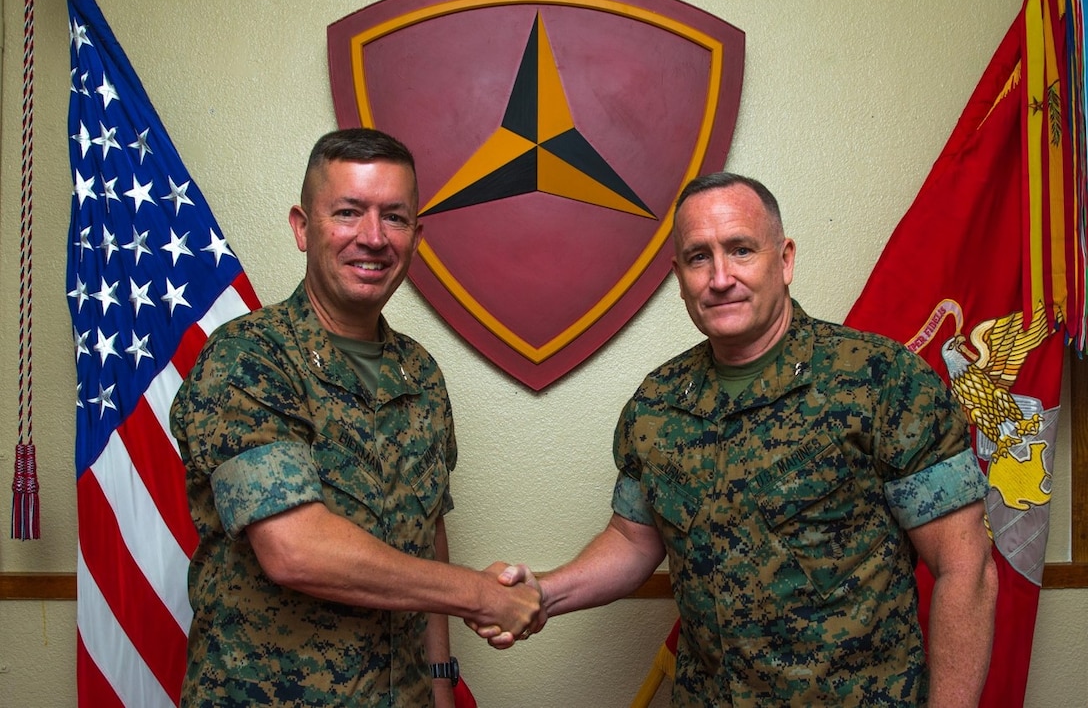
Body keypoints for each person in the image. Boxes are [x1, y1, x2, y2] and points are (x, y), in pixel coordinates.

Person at [483, 172, 998, 706]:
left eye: (741, 249)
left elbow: (967, 568)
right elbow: (634, 541)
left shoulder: (883, 380)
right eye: (699, 257)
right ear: (678, 276)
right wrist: (545, 592)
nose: (720, 277)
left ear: (785, 259)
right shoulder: (657, 404)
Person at [170, 127, 540, 707]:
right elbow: (296, 549)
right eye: (347, 212)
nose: (373, 238)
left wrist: (441, 685)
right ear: (302, 227)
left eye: (394, 218)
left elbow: (427, 537)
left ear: (416, 236)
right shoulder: (249, 358)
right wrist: (477, 593)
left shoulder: (419, 374)